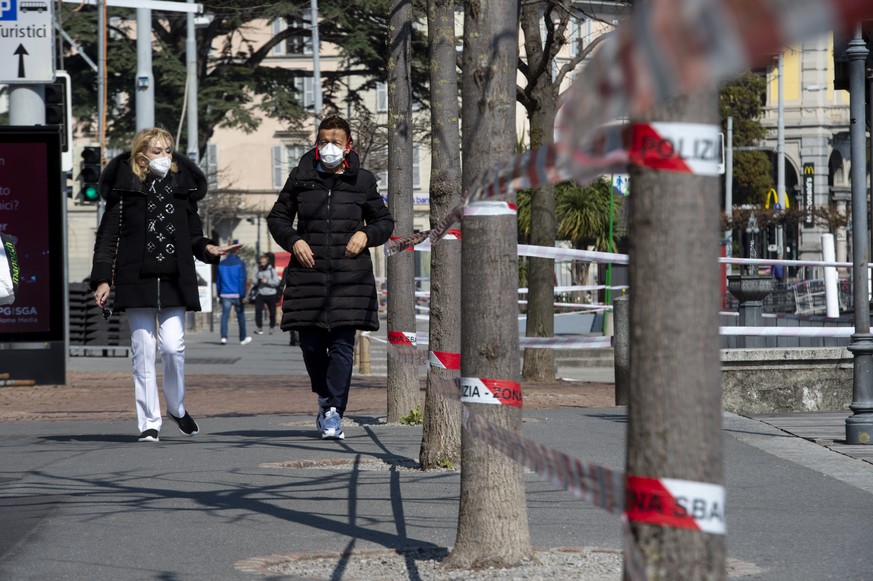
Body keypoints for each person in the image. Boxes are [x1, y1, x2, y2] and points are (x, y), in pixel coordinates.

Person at [90, 127, 242, 443]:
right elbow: (107, 239)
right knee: (143, 351)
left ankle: (176, 407)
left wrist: (211, 249)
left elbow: (194, 236)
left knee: (173, 347)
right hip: (136, 279)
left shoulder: (181, 190)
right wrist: (103, 279)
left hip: (174, 278)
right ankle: (149, 422)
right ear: (141, 154)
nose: (164, 157)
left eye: (168, 150)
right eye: (157, 150)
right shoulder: (124, 190)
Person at [267, 115, 394, 440]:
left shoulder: (362, 181)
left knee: (341, 346)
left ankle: (334, 410)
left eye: (336, 142)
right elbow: (278, 217)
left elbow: (384, 221)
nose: (329, 147)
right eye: (324, 141)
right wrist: (294, 240)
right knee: (310, 345)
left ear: (348, 145)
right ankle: (324, 397)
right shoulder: (301, 177)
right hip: (308, 274)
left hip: (349, 277)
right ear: (316, 143)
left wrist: (366, 234)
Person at [216, 249, 253, 345]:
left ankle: (223, 337)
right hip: (237, 293)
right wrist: (243, 295)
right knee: (240, 316)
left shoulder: (221, 264)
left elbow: (218, 281)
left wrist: (219, 293)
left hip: (225, 293)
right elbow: (242, 280)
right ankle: (242, 338)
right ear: (236, 252)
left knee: (225, 316)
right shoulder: (240, 263)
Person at [253, 253, 280, 334]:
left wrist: (267, 281)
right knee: (258, 310)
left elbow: (276, 282)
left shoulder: (272, 270)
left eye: (264, 262)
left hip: (271, 293)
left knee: (272, 312)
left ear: (267, 262)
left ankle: (272, 326)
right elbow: (254, 280)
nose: (262, 264)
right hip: (261, 293)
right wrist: (258, 280)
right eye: (261, 262)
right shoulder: (258, 270)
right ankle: (259, 327)